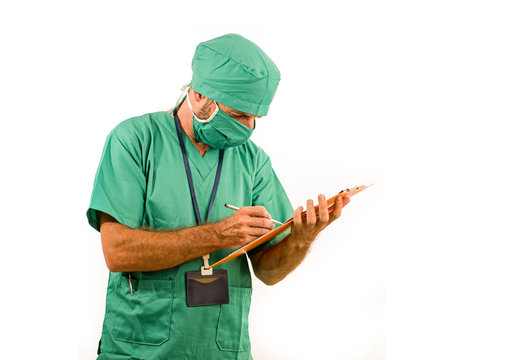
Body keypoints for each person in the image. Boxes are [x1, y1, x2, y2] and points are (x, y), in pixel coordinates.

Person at [87, 33, 350, 360]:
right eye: (238, 115)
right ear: (198, 95)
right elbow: (117, 253)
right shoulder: (134, 141)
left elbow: (268, 271)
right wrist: (217, 235)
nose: (250, 127)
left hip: (223, 351)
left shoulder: (252, 161)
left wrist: (301, 238)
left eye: (256, 118)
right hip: (140, 348)